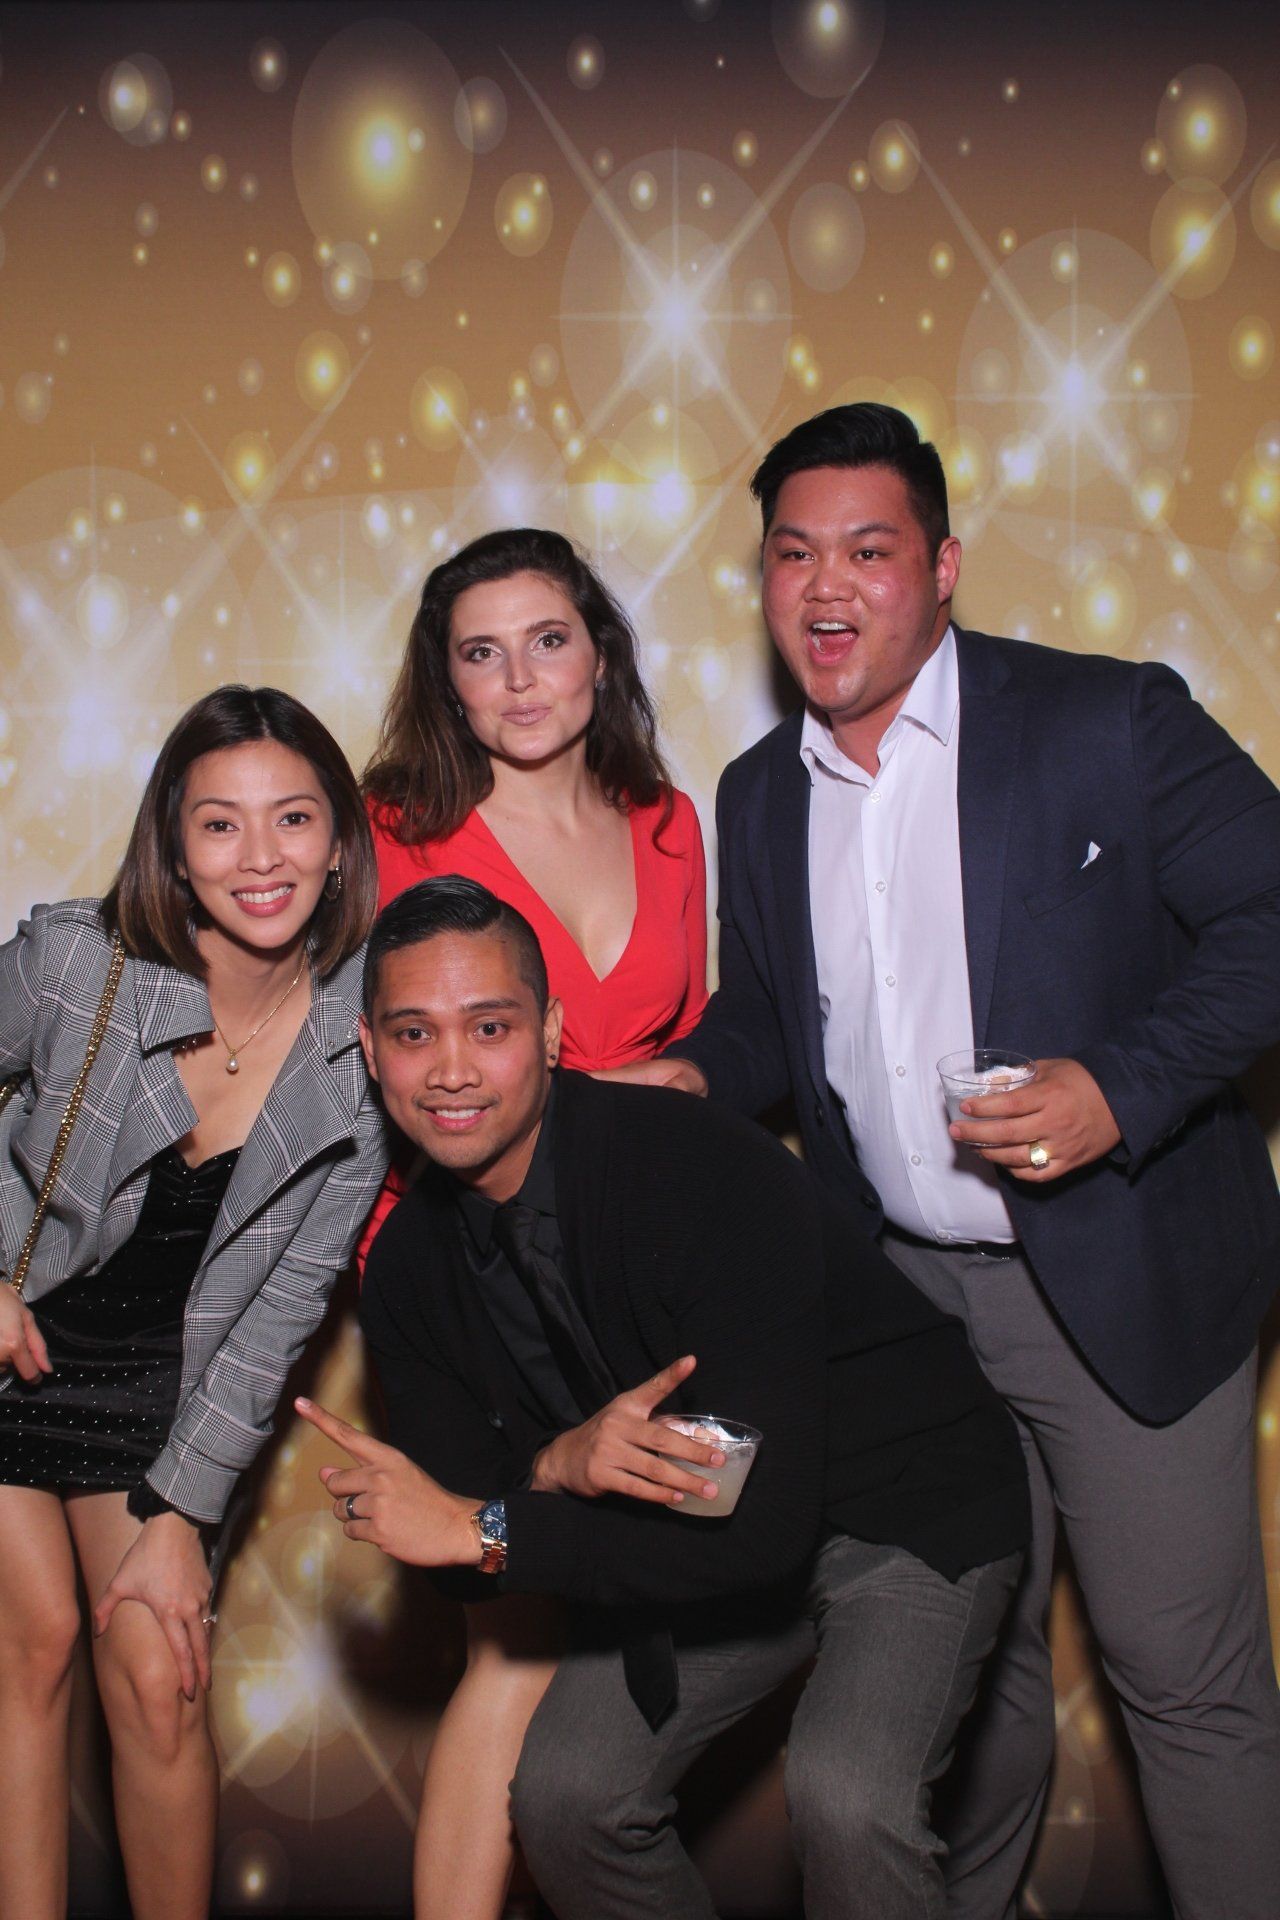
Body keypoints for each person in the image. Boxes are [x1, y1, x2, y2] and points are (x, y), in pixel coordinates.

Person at [617, 402, 1280, 1918]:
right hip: (903, 1311)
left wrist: (1120, 1086)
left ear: (942, 567)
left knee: (1183, 1689)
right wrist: (696, 1073)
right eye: (793, 553)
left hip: (1118, 1280)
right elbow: (777, 1020)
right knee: (966, 1691)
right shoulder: (758, 792)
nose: (826, 586)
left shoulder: (1105, 721)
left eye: (868, 550)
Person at [298, 875, 1029, 1920]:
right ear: (371, 1053)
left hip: (904, 1504)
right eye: (414, 1035)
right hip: (686, 1543)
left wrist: (486, 1523)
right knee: (567, 1797)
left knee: (846, 1797)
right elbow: (474, 1571)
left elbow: (748, 1526)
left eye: (490, 1027)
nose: (451, 1070)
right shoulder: (409, 1269)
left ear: (551, 1033)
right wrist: (548, 1470)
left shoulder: (693, 1165)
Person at [0, 686, 392, 1920]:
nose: (259, 857)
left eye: (293, 819)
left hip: (159, 1399)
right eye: (219, 824)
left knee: (158, 1683)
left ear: (339, 844)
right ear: (173, 847)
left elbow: (284, 1311)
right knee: (33, 1646)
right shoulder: (77, 962)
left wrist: (180, 1509)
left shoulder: (365, 1044)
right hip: (14, 1347)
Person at [362, 526, 707, 1918]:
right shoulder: (393, 834)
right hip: (471, 1264)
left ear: (599, 654)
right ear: (444, 682)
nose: (519, 680)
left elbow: (696, 1045)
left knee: (641, 1610)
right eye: (481, 653)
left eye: (548, 640)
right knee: (511, 1646)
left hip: (634, 1266)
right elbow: (366, 1067)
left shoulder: (667, 822)